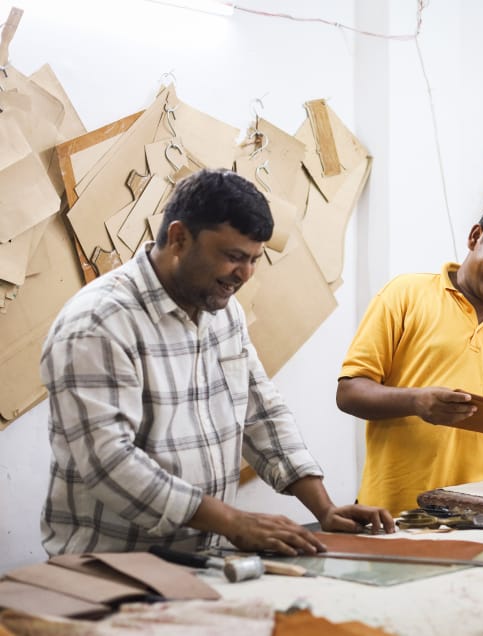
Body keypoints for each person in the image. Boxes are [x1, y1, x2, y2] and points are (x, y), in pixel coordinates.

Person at [41, 168, 394, 557]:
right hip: (112, 567)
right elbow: (109, 462)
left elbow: (260, 412)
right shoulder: (99, 323)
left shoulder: (222, 311)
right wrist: (232, 522)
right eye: (233, 257)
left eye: (254, 260)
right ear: (179, 238)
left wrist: (325, 509)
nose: (243, 275)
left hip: (202, 559)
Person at [336, 192, 483, 516]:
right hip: (392, 516)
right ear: (476, 236)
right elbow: (349, 393)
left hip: (482, 521)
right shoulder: (404, 295)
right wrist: (416, 402)